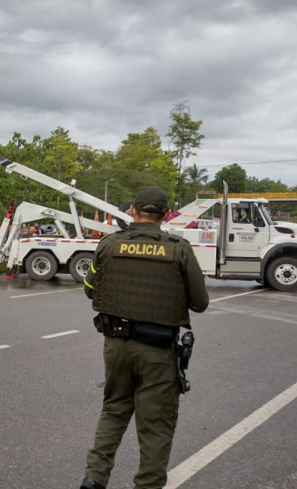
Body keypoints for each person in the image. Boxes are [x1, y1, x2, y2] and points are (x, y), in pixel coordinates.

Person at [80, 187, 209, 489]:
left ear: (133, 212)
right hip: (158, 349)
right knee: (155, 425)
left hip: (116, 345)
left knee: (113, 410)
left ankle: (94, 478)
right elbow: (200, 302)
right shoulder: (179, 248)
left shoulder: (108, 244)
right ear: (165, 215)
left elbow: (90, 288)